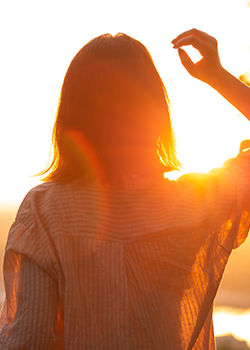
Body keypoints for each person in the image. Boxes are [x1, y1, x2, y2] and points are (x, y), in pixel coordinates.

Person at [0, 28, 250, 350]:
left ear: (71, 116)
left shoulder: (45, 211)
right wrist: (219, 78)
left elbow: (28, 339)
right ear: (156, 114)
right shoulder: (198, 203)